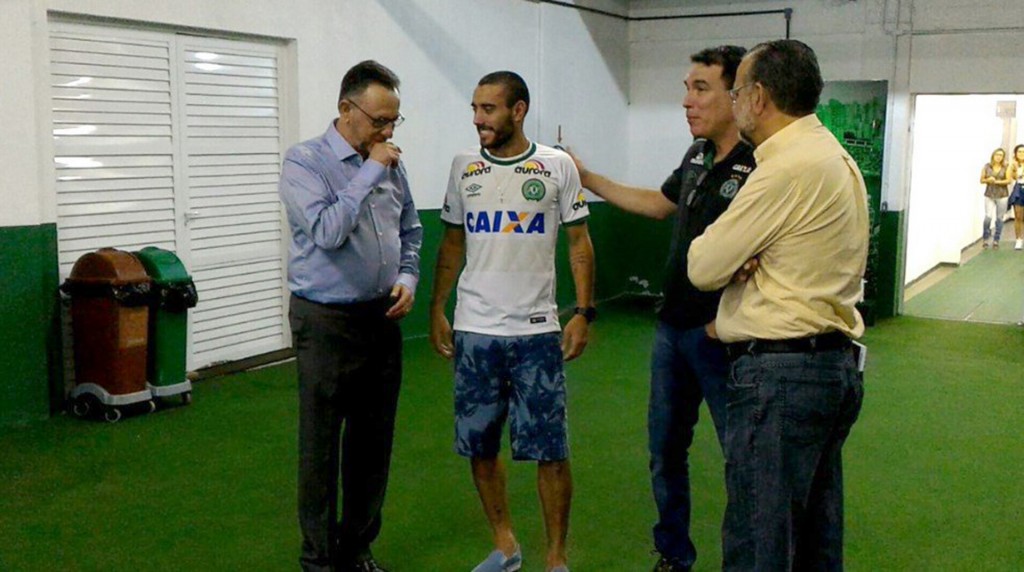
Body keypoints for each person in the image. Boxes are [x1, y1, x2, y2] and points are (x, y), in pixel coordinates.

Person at [567, 45, 753, 572]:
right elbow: (658, 204)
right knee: (665, 452)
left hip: (725, 337)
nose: (686, 102)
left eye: (700, 89)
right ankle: (674, 553)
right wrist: (588, 177)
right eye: (685, 88)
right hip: (672, 333)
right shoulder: (696, 157)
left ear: (736, 96)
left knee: (742, 460)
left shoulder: (761, 164)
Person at [688, 39, 868, 570]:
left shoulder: (785, 168)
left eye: (736, 90)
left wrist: (742, 257)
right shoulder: (831, 156)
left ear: (759, 97)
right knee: (812, 542)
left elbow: (703, 265)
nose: (734, 101)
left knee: (758, 543)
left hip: (780, 379)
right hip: (826, 368)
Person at [429, 71, 595, 572]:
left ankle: (556, 558)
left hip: (536, 333)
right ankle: (506, 546)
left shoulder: (557, 166)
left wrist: (584, 312)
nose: (478, 118)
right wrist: (438, 308)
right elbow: (453, 244)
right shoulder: (464, 168)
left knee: (551, 450)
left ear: (518, 111)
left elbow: (579, 243)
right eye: (475, 108)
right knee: (480, 445)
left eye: (489, 109)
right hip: (475, 332)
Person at [279, 60, 422, 572]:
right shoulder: (305, 162)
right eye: (379, 120)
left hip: (380, 320)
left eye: (393, 121)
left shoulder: (390, 163)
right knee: (320, 446)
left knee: (372, 444)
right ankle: (318, 561)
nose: (387, 131)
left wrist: (406, 278)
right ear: (346, 108)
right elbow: (327, 231)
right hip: (325, 323)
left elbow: (411, 231)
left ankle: (357, 550)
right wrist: (369, 171)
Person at [980, 148, 1012, 249]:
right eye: (997, 155)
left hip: (1002, 195)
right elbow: (981, 180)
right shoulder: (987, 166)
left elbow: (1008, 180)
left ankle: (996, 240)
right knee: (987, 217)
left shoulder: (1006, 167)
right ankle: (985, 238)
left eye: (1001, 155)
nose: (998, 157)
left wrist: (996, 182)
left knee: (999, 218)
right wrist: (988, 180)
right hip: (989, 194)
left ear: (1003, 157)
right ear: (993, 155)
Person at [1007, 144, 1024, 250]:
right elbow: (1010, 178)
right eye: (1019, 152)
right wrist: (1012, 167)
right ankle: (1018, 239)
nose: (1022, 154)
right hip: (1019, 189)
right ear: (1016, 154)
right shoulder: (1014, 165)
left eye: (1023, 152)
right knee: (1018, 216)